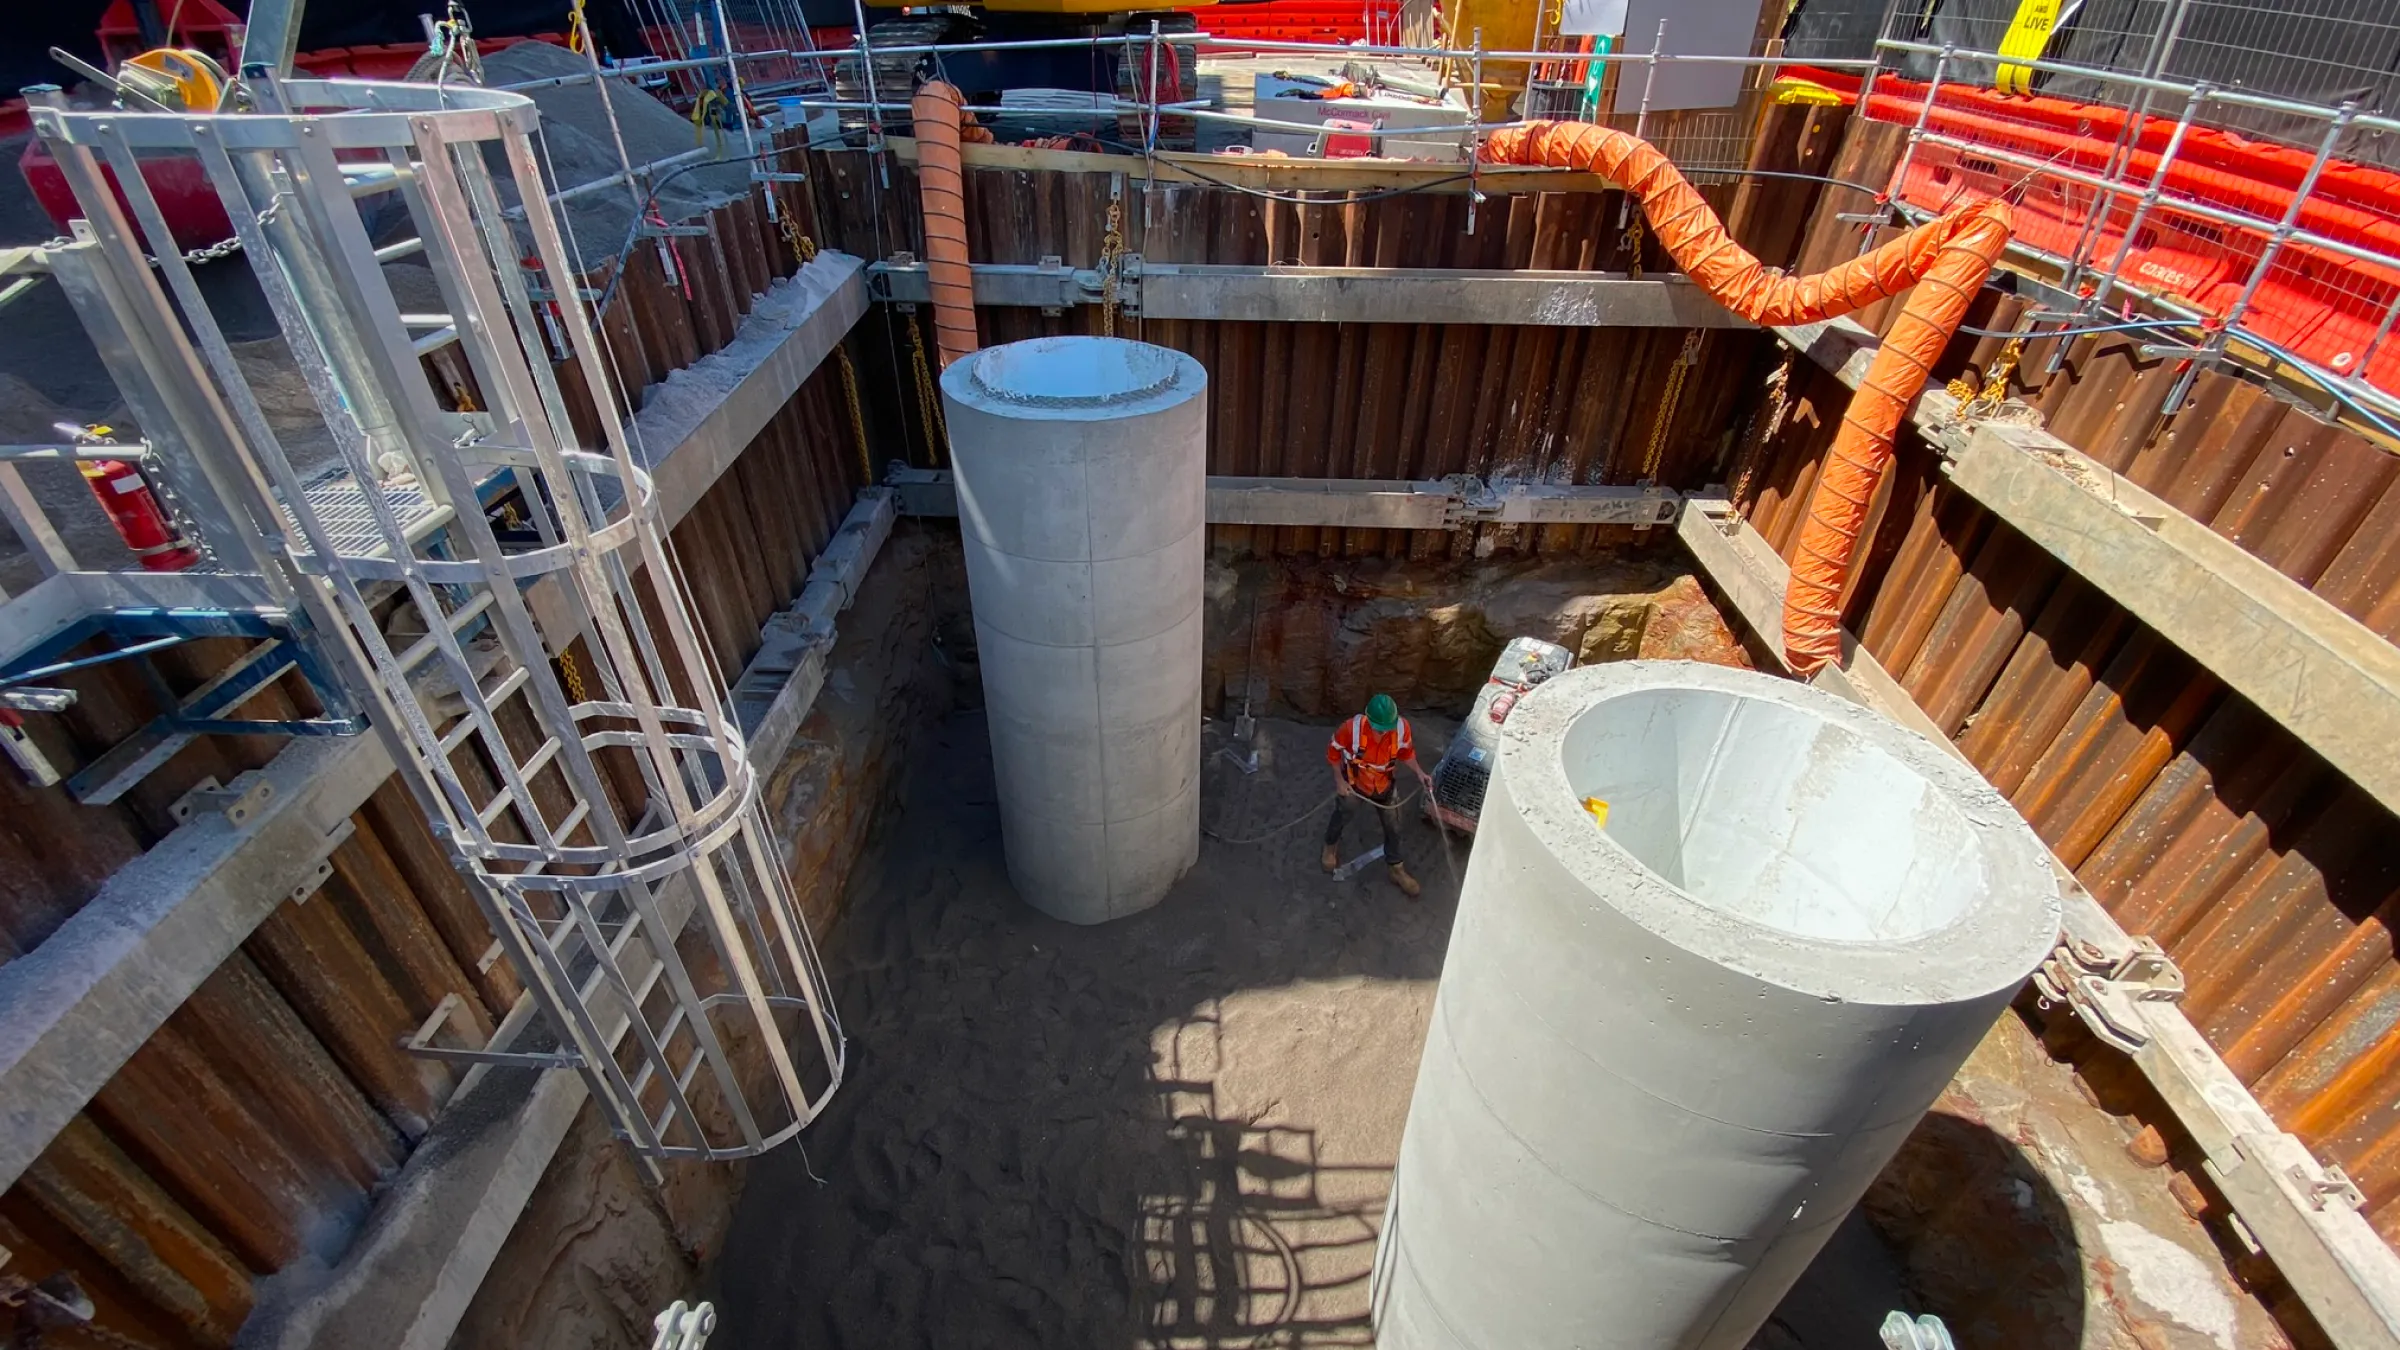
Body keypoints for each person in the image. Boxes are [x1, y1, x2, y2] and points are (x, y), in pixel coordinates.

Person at [1323, 693, 1434, 898]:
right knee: (1342, 814)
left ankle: (1396, 868)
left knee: (1394, 826)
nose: (1382, 734)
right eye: (1378, 730)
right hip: (1355, 785)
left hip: (1385, 785)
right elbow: (1333, 753)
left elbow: (1406, 754)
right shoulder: (1351, 729)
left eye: (1386, 730)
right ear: (1368, 720)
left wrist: (1419, 773)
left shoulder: (1401, 729)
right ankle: (1330, 846)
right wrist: (1339, 781)